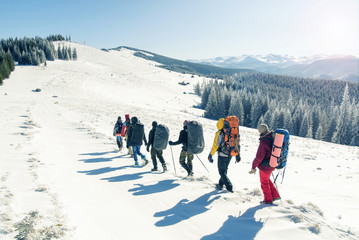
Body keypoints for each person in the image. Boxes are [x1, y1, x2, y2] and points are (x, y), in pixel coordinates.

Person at [249, 124, 281, 204]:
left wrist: (253, 167)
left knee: (264, 183)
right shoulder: (271, 138)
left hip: (265, 166)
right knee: (267, 180)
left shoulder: (264, 142)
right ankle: (275, 195)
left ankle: (268, 200)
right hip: (272, 164)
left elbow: (259, 157)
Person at [208, 118, 241, 193]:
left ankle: (229, 187)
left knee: (222, 171)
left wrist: (211, 154)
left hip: (222, 154)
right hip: (230, 154)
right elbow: (236, 143)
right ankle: (220, 184)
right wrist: (237, 155)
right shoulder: (232, 132)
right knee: (225, 169)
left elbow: (215, 145)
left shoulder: (220, 133)